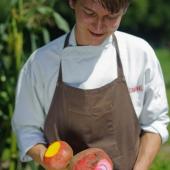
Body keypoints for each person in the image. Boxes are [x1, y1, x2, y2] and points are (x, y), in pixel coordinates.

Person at [12, 0, 169, 170]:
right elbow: (27, 130)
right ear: (72, 2)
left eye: (111, 17)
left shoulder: (139, 54)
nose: (99, 26)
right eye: (89, 13)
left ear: (125, 9)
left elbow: (155, 123)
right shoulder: (40, 63)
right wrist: (49, 159)